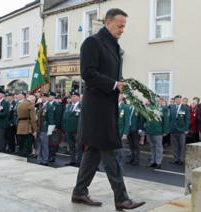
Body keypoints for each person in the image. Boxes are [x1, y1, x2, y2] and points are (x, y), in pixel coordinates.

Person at [72, 8, 145, 211]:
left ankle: (79, 192)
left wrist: (119, 86)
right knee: (110, 149)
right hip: (97, 107)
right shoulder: (92, 42)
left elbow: (111, 76)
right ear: (108, 22)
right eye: (120, 25)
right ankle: (121, 198)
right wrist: (114, 84)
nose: (123, 30)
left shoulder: (114, 46)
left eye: (124, 26)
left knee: (94, 151)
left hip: (107, 104)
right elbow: (88, 73)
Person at [145, 100, 169, 169]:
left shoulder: (162, 109)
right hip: (150, 130)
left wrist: (165, 131)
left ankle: (158, 162)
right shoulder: (148, 108)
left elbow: (166, 120)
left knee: (158, 147)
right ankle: (153, 161)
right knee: (152, 147)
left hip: (158, 131)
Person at [62, 91, 83, 167]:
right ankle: (72, 160)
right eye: (72, 96)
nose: (73, 98)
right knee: (71, 146)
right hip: (69, 130)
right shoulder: (69, 106)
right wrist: (64, 127)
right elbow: (64, 117)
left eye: (75, 96)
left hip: (77, 130)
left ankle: (79, 162)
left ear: (78, 97)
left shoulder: (82, 106)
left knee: (78, 147)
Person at [169, 95, 190, 165]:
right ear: (175, 100)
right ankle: (176, 158)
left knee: (181, 145)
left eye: (179, 99)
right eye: (176, 99)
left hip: (181, 130)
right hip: (173, 129)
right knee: (174, 145)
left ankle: (181, 159)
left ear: (181, 100)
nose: (178, 100)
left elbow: (187, 120)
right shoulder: (172, 107)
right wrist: (169, 128)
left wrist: (186, 129)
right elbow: (170, 119)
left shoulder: (185, 108)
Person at [17, 92, 37, 157]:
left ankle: (21, 154)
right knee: (27, 144)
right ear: (33, 100)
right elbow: (33, 119)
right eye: (34, 101)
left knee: (21, 144)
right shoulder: (30, 105)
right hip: (27, 127)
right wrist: (35, 130)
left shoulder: (20, 104)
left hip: (20, 125)